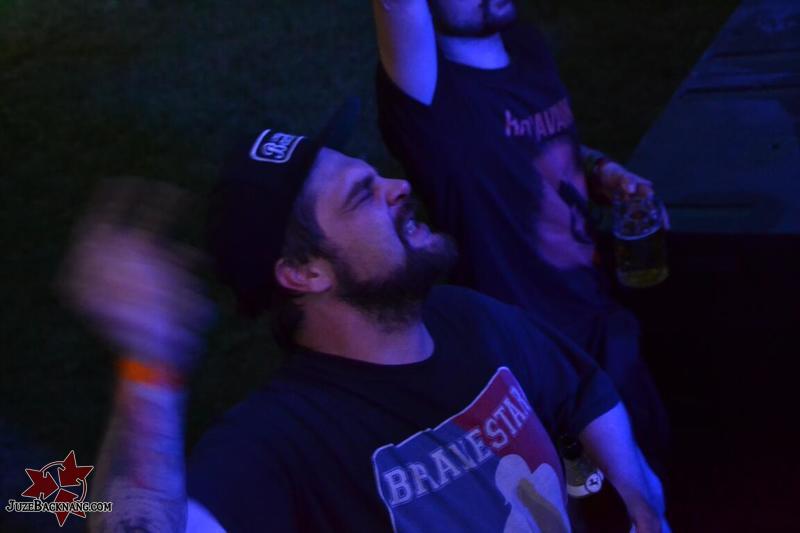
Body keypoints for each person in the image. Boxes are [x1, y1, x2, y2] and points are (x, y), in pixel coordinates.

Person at [60, 114, 668, 532]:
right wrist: (150, 368)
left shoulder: (465, 316)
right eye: (362, 195)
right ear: (305, 272)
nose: (399, 187)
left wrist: (639, 498)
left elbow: (581, 390)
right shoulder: (282, 440)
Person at [371, 0, 669, 474]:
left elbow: (533, 147)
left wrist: (602, 171)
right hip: (541, 358)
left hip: (603, 314)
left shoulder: (527, 48)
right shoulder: (430, 96)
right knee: (609, 496)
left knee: (659, 465)